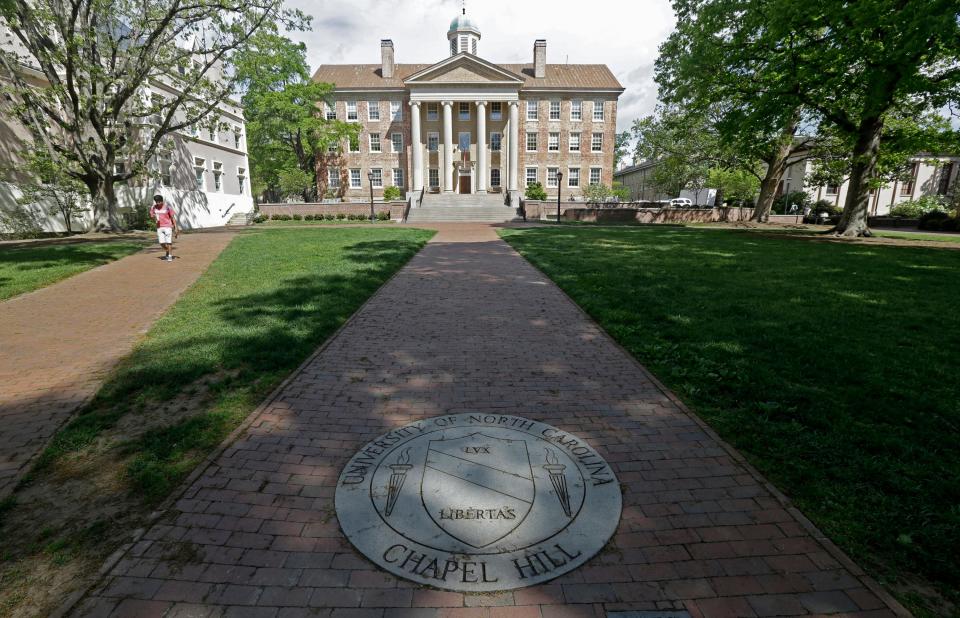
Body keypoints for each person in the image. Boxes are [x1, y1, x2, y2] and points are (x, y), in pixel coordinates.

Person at [149, 194, 179, 261]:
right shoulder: (153, 207)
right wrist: (153, 216)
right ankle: (168, 251)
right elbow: (151, 216)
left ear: (162, 201)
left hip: (168, 226)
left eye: (159, 202)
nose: (158, 203)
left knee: (169, 242)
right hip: (159, 227)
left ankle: (170, 256)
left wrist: (176, 228)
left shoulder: (167, 207)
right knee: (161, 242)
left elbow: (173, 218)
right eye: (156, 202)